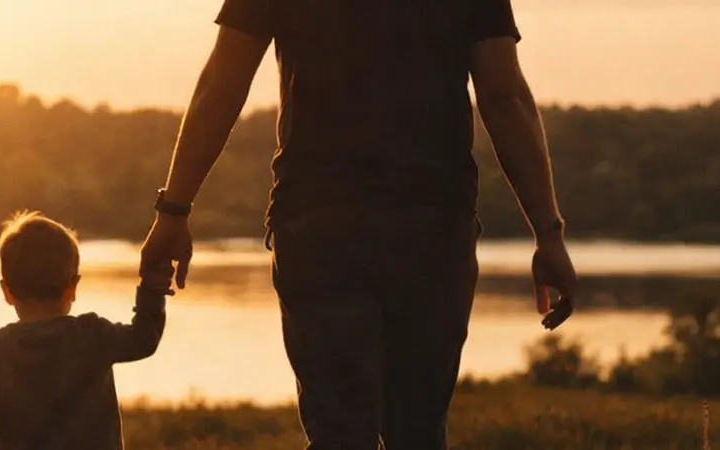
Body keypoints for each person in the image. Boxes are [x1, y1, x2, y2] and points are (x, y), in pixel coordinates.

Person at [136, 0, 580, 448]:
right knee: (418, 429)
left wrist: (174, 210)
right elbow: (504, 98)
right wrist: (548, 233)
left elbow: (222, 85)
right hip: (430, 225)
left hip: (320, 221)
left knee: (339, 433)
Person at [0, 212, 169, 449]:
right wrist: (153, 285)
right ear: (72, 287)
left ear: (6, 291)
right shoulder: (92, 335)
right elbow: (144, 339)